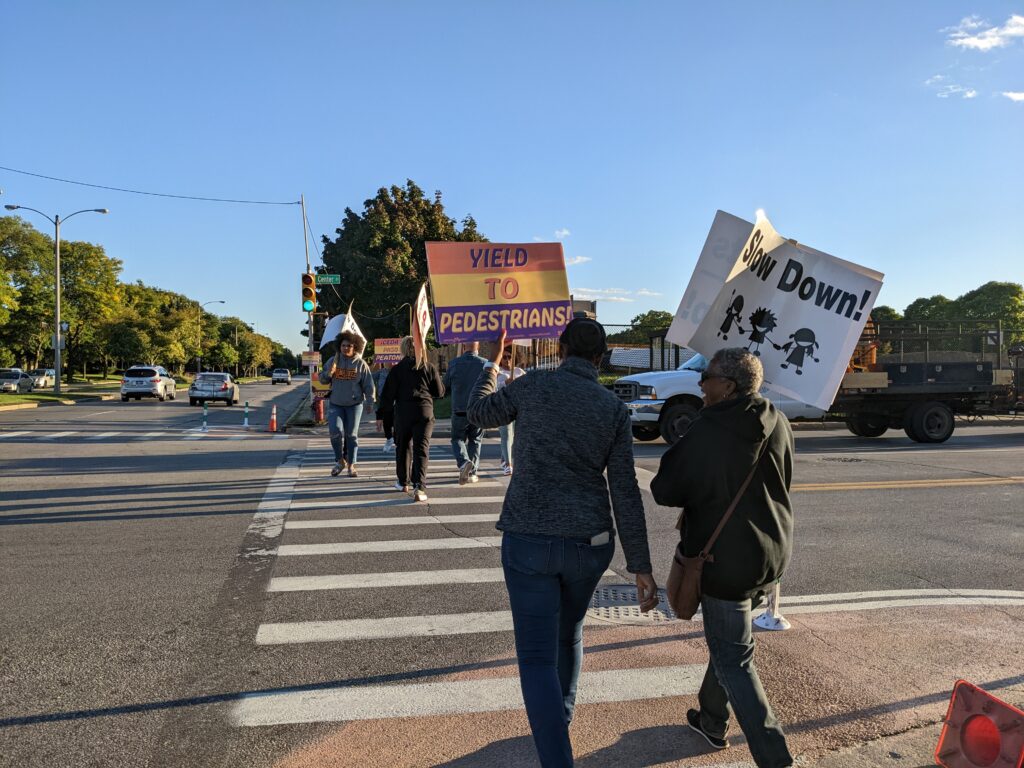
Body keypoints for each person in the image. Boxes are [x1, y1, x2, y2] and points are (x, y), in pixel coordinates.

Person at [468, 320, 658, 768]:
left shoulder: (533, 386)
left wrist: (492, 366)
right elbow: (625, 490)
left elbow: (477, 412)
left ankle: (557, 755)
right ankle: (560, 718)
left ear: (561, 347)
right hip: (589, 543)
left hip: (530, 538)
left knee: (535, 658)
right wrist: (641, 565)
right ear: (602, 356)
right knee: (569, 634)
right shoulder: (611, 407)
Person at [651, 347, 795, 768]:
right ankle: (712, 720)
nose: (700, 383)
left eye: (707, 376)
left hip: (724, 561)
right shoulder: (778, 420)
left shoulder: (710, 428)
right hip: (770, 553)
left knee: (734, 658)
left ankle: (776, 758)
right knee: (729, 641)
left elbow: (664, 490)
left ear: (728, 386)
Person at [377, 336, 445, 503]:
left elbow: (387, 397)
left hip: (403, 412)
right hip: (424, 411)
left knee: (403, 447)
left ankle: (403, 482)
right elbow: (439, 392)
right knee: (421, 449)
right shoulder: (428, 367)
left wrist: (381, 416)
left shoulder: (397, 369)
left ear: (402, 349)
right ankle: (419, 486)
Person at [319, 331, 375, 478]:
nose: (346, 348)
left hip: (354, 405)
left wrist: (370, 401)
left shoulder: (360, 364)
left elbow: (369, 385)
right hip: (336, 403)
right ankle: (340, 461)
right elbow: (322, 380)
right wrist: (328, 374)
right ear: (339, 346)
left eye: (349, 345)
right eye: (343, 345)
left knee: (351, 435)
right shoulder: (333, 361)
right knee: (334, 432)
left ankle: (351, 464)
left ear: (355, 346)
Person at [443, 342, 486, 485]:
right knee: (475, 440)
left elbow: (445, 385)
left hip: (459, 408)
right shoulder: (484, 364)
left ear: (463, 347)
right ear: (477, 347)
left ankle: (463, 463)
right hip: (478, 409)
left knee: (457, 439)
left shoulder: (454, 363)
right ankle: (472, 473)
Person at [496, 346, 526, 476]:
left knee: (514, 436)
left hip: (518, 409)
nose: (507, 360)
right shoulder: (498, 373)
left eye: (510, 357)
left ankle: (504, 458)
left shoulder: (519, 372)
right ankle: (508, 464)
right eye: (504, 357)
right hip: (503, 409)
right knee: (506, 435)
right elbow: (494, 390)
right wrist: (505, 384)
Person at [374, 362, 395, 452]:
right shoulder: (382, 372)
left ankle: (399, 441)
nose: (391, 363)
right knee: (386, 422)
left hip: (397, 400)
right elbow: (369, 377)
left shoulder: (400, 371)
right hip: (384, 399)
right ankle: (389, 439)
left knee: (397, 422)